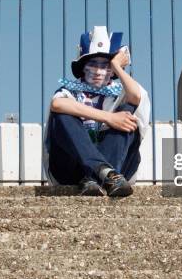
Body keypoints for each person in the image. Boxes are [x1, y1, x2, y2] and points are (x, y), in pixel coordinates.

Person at [42, 26, 151, 197]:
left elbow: (136, 96)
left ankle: (99, 175)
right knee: (63, 114)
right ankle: (102, 171)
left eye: (106, 65)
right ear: (83, 66)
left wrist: (117, 66)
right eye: (93, 64)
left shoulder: (120, 90)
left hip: (118, 168)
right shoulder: (71, 89)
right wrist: (109, 118)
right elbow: (57, 104)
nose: (99, 71)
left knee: (128, 114)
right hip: (71, 172)